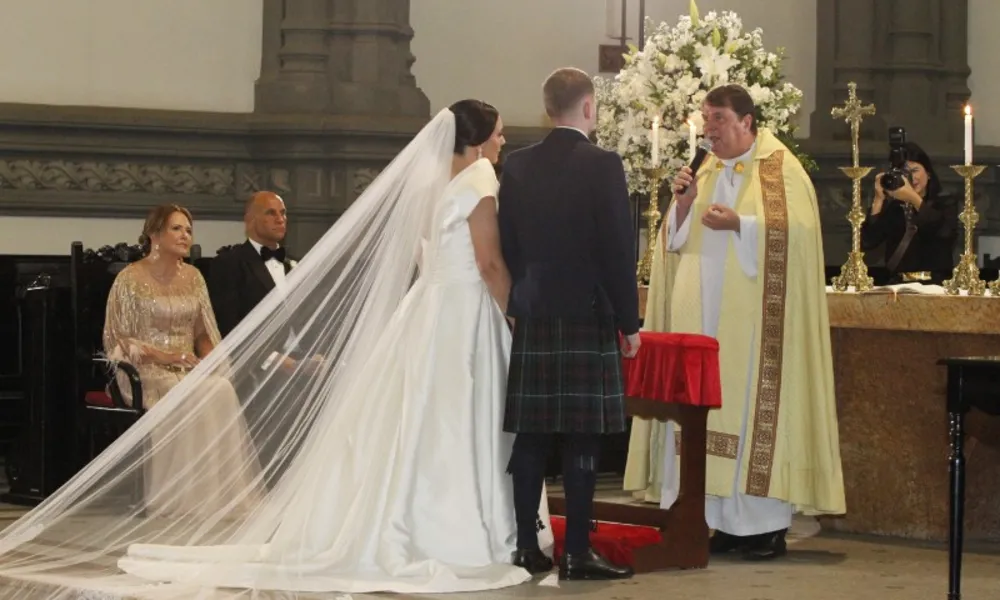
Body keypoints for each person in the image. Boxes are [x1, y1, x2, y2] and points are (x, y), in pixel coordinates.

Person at [0, 101, 551, 599]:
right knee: (461, 418)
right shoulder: (479, 178)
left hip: (428, 313)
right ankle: (466, 528)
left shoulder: (428, 186)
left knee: (420, 422)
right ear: (479, 141)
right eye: (500, 134)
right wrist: (508, 312)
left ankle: (414, 517)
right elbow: (488, 263)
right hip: (462, 314)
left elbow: (419, 259)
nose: (504, 143)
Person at [625, 84, 846, 561]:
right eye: (706, 119)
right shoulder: (700, 170)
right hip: (699, 317)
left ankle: (761, 527)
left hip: (751, 323)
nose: (710, 129)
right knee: (698, 414)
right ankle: (712, 521)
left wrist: (743, 226)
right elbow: (674, 243)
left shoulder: (780, 168)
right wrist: (681, 207)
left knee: (747, 411)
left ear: (747, 122)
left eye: (719, 119)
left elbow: (801, 236)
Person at [499, 67, 639, 581]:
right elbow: (617, 251)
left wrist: (525, 295)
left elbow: (508, 243)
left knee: (532, 437)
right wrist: (630, 321)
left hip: (535, 312)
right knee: (583, 438)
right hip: (587, 313)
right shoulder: (603, 164)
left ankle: (524, 548)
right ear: (588, 107)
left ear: (546, 107)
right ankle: (576, 552)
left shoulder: (516, 166)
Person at [103, 204, 263, 517]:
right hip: (145, 368)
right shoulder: (129, 279)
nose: (185, 235)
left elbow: (203, 332)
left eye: (189, 230)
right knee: (191, 393)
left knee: (219, 389)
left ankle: (214, 495)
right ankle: (176, 497)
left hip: (186, 365)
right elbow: (118, 338)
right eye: (177, 229)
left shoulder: (194, 277)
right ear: (155, 235)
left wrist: (206, 359)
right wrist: (166, 355)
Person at [861, 142, 958, 284]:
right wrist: (878, 199)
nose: (912, 178)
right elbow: (868, 241)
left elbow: (944, 233)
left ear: (929, 173)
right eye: (905, 172)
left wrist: (913, 198)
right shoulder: (894, 206)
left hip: (935, 284)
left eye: (915, 170)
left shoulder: (945, 202)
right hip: (898, 286)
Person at [208, 191, 295, 338]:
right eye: (271, 213)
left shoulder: (294, 266)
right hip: (258, 358)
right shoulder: (229, 263)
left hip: (304, 355)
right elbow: (227, 327)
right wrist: (275, 359)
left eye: (283, 213)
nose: (280, 219)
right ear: (250, 220)